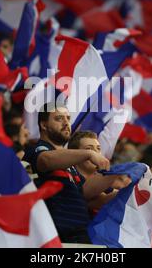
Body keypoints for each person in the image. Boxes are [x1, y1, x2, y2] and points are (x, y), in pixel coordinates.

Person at [24, 103, 114, 243]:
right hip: (57, 237)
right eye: (59, 118)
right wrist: (88, 153)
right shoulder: (37, 149)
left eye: (68, 118)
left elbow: (86, 196)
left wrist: (125, 189)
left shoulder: (70, 165)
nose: (66, 123)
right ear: (43, 125)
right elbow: (46, 160)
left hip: (81, 235)